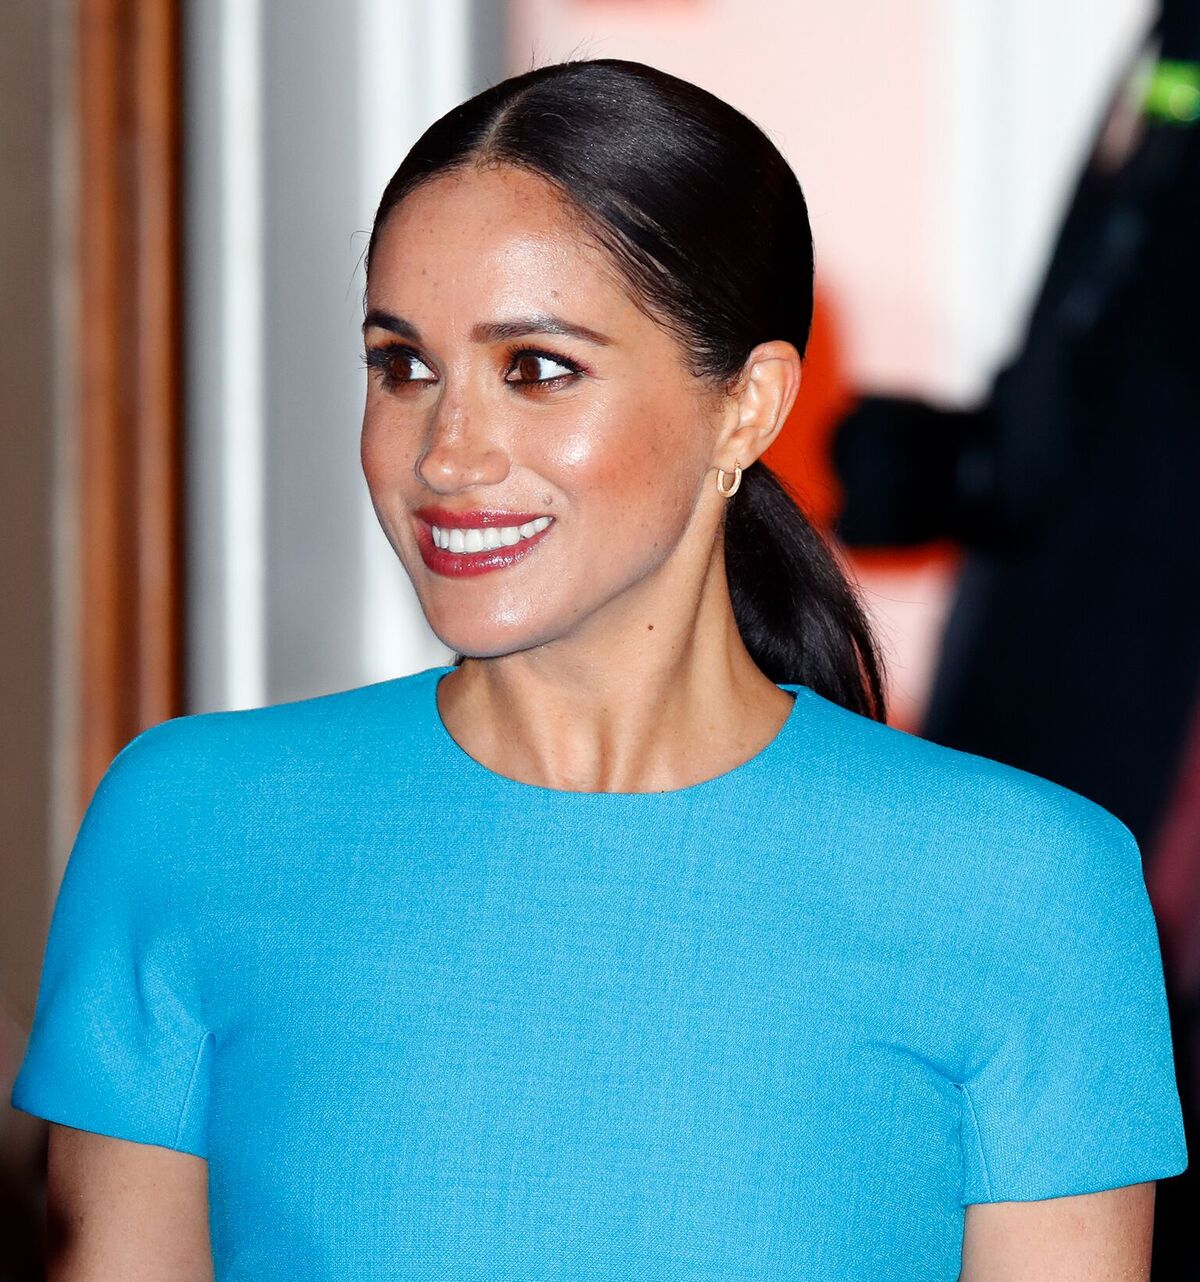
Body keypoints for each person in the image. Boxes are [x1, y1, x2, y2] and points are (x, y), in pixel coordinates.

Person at [9, 58, 1187, 1281]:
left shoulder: (1024, 887)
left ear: (746, 407)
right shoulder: (191, 822)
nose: (447, 456)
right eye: (403, 366)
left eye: (536, 368)